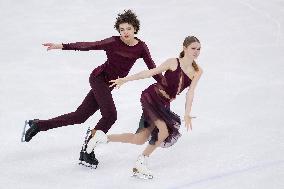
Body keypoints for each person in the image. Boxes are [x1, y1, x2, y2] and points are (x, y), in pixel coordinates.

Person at [23, 10, 164, 166]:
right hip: (99, 79)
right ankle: (87, 150)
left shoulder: (141, 48)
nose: (125, 32)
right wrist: (62, 46)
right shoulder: (113, 42)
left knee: (79, 116)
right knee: (110, 115)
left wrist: (166, 84)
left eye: (128, 28)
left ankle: (38, 125)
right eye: (122, 29)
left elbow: (152, 69)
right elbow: (89, 45)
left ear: (135, 29)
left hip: (108, 85)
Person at [86, 36, 203, 179]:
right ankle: (141, 163)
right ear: (185, 48)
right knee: (164, 130)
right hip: (152, 97)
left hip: (164, 104)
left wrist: (187, 113)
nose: (196, 52)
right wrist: (125, 79)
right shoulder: (173, 62)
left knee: (140, 139)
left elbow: (190, 92)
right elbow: (149, 72)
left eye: (198, 49)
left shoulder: (197, 71)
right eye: (193, 48)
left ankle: (101, 137)